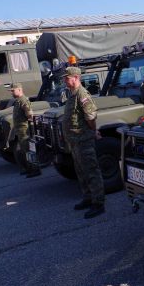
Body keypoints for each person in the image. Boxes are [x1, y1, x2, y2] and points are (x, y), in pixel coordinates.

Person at [62, 66, 105, 219]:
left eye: (67, 78)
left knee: (91, 171)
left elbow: (91, 117)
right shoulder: (72, 94)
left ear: (76, 78)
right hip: (75, 141)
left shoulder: (82, 94)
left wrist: (93, 130)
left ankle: (98, 203)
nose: (65, 80)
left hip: (84, 140)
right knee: (81, 171)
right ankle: (88, 198)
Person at [8, 83, 40, 178]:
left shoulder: (24, 100)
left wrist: (30, 130)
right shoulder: (18, 101)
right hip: (20, 131)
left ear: (19, 90)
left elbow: (30, 115)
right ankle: (27, 168)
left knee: (28, 150)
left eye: (13, 91)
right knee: (21, 151)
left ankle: (35, 169)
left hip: (25, 131)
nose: (12, 93)